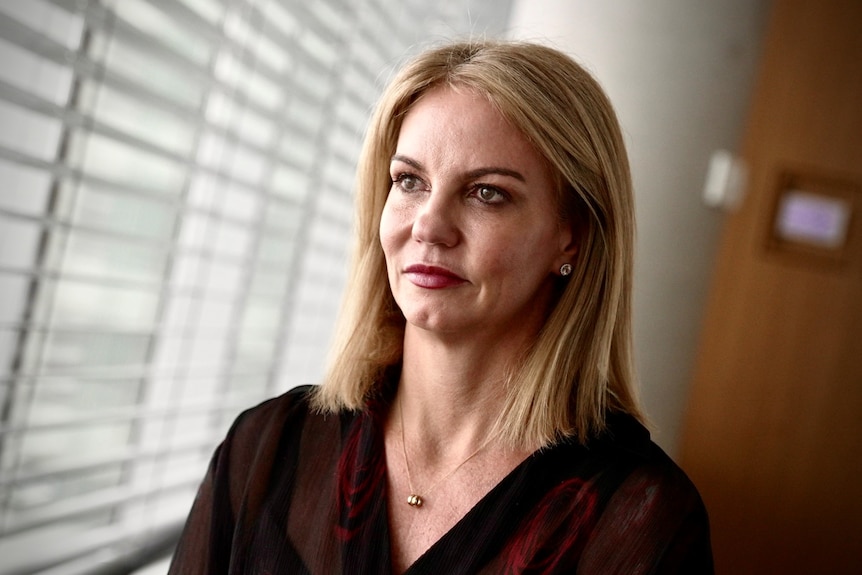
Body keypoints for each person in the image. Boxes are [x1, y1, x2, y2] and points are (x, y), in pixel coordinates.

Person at [168, 39, 713, 574]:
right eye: (409, 181)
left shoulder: (643, 523)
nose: (428, 225)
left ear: (570, 238)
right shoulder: (264, 451)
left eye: (487, 193)